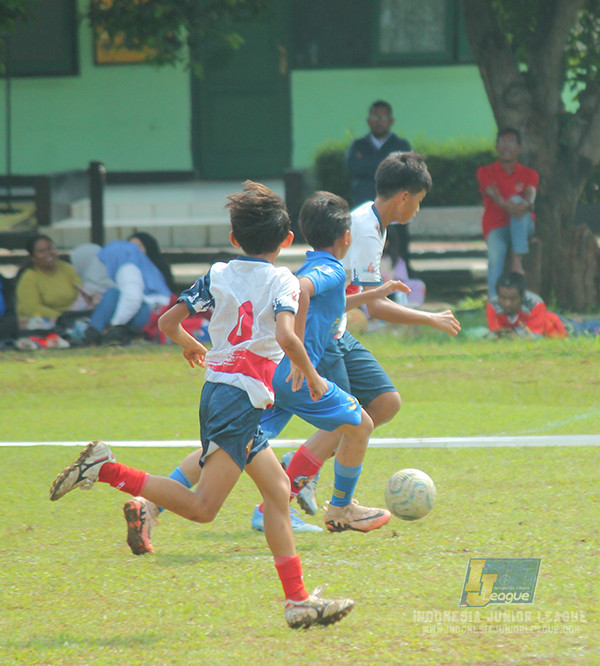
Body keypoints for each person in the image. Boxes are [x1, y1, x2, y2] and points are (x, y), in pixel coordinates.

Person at [48, 181, 355, 630]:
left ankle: (297, 602)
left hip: (223, 393)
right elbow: (288, 336)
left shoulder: (218, 273)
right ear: (287, 241)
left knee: (275, 492)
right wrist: (310, 376)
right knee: (202, 508)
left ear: (234, 239)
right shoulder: (283, 280)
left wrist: (193, 345)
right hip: (238, 399)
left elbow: (168, 321)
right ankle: (106, 468)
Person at [146, 153, 461, 538]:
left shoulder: (327, 250)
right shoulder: (336, 257)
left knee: (232, 444)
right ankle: (336, 504)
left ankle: (155, 502)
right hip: (308, 355)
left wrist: (372, 293)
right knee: (356, 422)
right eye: (420, 200)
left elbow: (325, 298)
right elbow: (306, 290)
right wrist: (303, 359)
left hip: (271, 369)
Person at [346, 100, 414, 286]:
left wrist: (371, 166)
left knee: (398, 242)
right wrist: (385, 165)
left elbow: (405, 172)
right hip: (365, 206)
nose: (379, 121)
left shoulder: (401, 144)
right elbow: (354, 167)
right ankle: (361, 284)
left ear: (391, 120)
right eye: (375, 117)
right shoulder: (358, 145)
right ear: (368, 120)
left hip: (394, 207)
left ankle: (402, 281)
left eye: (383, 117)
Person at [477, 128, 538, 299]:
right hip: (497, 225)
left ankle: (517, 260)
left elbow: (531, 192)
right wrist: (506, 205)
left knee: (518, 201)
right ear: (496, 147)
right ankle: (494, 303)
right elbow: (492, 192)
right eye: (502, 143)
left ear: (519, 148)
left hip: (523, 225)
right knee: (496, 255)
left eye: (511, 143)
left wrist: (525, 204)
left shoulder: (529, 173)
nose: (506, 147)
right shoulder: (485, 171)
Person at [84, 238, 173, 345]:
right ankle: (93, 331)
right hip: (158, 313)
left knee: (112, 294)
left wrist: (115, 325)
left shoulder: (127, 268)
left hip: (149, 315)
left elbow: (132, 300)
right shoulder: (143, 266)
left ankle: (92, 332)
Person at [15, 234, 92, 332]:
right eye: (41, 251)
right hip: (44, 322)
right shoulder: (29, 276)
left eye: (50, 248)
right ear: (33, 257)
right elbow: (31, 308)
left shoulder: (66, 268)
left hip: (71, 317)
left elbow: (80, 293)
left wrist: (72, 313)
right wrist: (60, 316)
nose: (48, 253)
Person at [487, 271, 567, 339]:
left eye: (513, 299)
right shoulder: (493, 305)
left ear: (522, 297)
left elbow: (534, 336)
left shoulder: (535, 304)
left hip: (560, 325)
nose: (507, 303)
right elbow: (496, 335)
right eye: (503, 298)